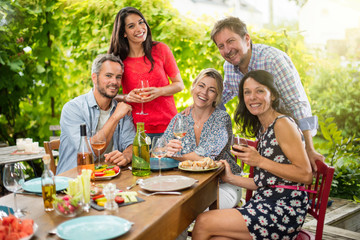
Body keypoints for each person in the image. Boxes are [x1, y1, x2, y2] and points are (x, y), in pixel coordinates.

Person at [192, 70, 313, 240]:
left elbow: (306, 175)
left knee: (204, 221)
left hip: (284, 210)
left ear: (273, 95)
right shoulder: (264, 128)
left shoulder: (282, 124)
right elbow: (265, 182)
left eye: (260, 91)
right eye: (247, 92)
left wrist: (260, 160)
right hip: (264, 202)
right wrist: (230, 178)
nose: (252, 97)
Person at [163, 68, 242, 209]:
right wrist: (165, 149)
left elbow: (203, 158)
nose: (204, 93)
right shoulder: (181, 118)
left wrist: (173, 155)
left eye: (211, 90)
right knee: (169, 207)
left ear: (217, 96)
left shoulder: (221, 119)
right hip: (191, 184)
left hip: (223, 184)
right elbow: (157, 151)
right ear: (194, 86)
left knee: (190, 209)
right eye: (201, 86)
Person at [108, 7, 184, 139]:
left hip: (168, 126)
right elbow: (107, 93)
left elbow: (179, 85)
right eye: (131, 26)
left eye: (141, 22)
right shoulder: (118, 59)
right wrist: (126, 97)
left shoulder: (160, 49)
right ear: (124, 33)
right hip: (136, 129)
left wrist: (158, 91)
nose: (139, 28)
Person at [58, 54, 136, 174]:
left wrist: (126, 156)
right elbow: (89, 153)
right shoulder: (73, 109)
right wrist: (115, 117)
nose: (114, 82)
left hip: (109, 177)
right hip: (74, 181)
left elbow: (132, 144)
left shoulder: (122, 109)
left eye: (118, 77)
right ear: (94, 78)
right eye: (108, 76)